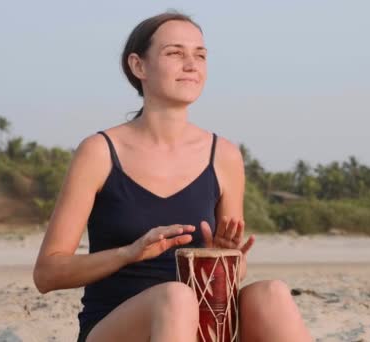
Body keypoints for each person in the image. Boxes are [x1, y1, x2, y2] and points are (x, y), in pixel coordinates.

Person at [32, 11, 312, 342]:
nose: (191, 64)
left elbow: (231, 277)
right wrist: (129, 253)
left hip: (198, 328)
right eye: (175, 53)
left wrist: (223, 258)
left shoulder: (224, 155)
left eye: (200, 55)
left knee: (273, 294)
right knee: (176, 297)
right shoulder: (99, 151)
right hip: (115, 328)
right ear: (138, 66)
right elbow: (47, 274)